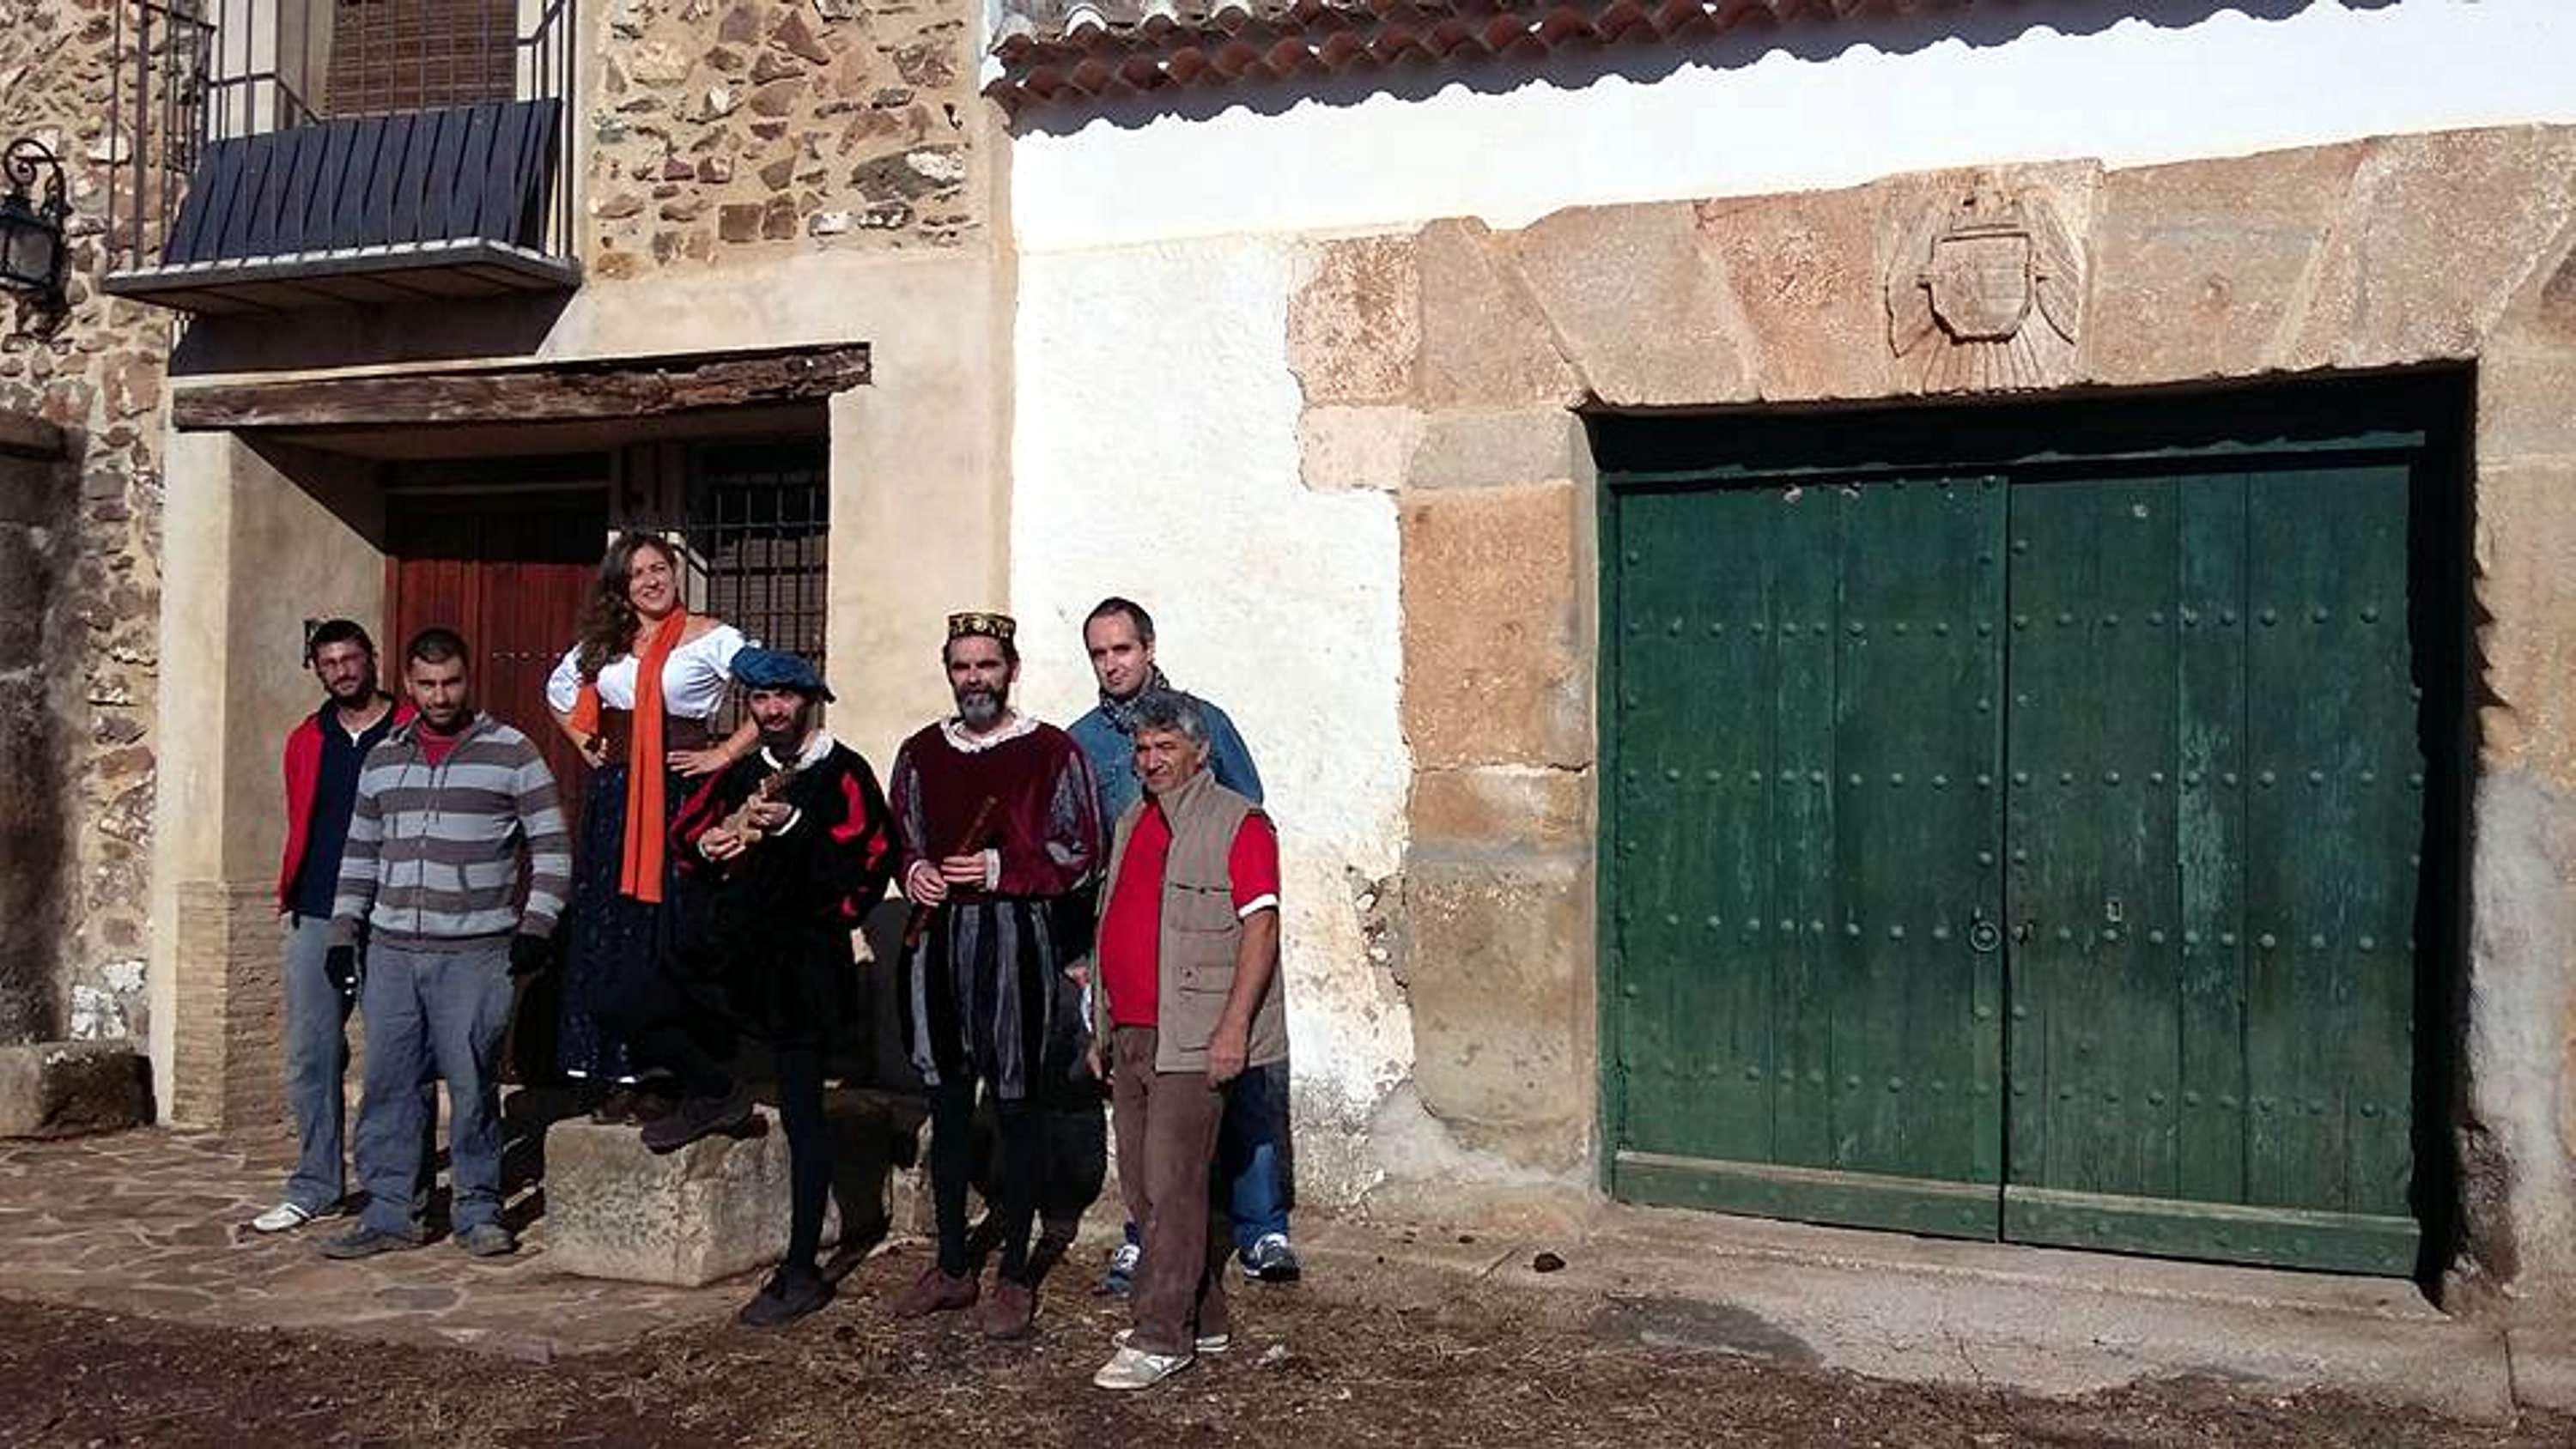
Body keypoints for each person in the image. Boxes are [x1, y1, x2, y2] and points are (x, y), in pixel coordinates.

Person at [636, 647, 896, 1328]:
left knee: (805, 1115)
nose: (773, 709)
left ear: (808, 701)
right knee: (634, 1001)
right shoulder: (744, 771)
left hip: (805, 963)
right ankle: (714, 1092)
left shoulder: (843, 772)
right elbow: (689, 835)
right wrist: (707, 847)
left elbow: (872, 860)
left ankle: (802, 1267)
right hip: (736, 951)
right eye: (760, 698)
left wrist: (799, 832)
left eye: (784, 696)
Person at [318, 628, 573, 1260]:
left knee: (472, 1083)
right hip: (392, 952)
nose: (439, 696)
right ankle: (391, 1212)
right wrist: (343, 932)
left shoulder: (512, 752)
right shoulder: (384, 758)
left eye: (451, 682)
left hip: (476, 953)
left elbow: (552, 848)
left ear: (467, 679)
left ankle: (478, 1209)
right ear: (408, 684)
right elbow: (360, 851)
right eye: (427, 684)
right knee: (389, 1085)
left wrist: (536, 926)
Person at [884, 610, 1103, 1340]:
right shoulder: (921, 753)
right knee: (948, 1102)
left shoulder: (1051, 752)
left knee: (1017, 1105)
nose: (974, 679)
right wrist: (916, 870)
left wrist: (1001, 867)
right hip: (939, 947)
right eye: (962, 666)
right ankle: (952, 1265)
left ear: (1012, 669)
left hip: (1016, 944)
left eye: (987, 665)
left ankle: (1013, 1274)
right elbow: (902, 835)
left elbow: (1082, 850)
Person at [1069, 597, 1299, 1289]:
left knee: (1241, 1081)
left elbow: (1246, 814)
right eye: (1100, 654)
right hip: (1137, 948)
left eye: (1123, 650)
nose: (1112, 665)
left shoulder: (1205, 721)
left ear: (1148, 648)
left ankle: (1261, 1228)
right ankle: (1146, 1235)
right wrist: (1086, 958)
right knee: (1142, 1106)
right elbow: (1082, 854)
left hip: (1207, 942)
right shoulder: (1084, 742)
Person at [1089, 690, 1287, 1392]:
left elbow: (1261, 927)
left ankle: (1160, 1335)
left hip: (1194, 1035)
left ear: (1200, 753)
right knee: (1144, 1187)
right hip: (1133, 1031)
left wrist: (1233, 1028)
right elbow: (1113, 921)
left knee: (1173, 1185)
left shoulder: (1239, 823)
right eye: (1143, 749)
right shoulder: (1132, 821)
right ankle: (1203, 1317)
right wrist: (1101, 1023)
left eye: (1166, 748)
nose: (1151, 761)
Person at [545, 532, 756, 1122]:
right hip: (619, 799)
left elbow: (779, 689)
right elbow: (558, 695)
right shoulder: (604, 645)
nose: (651, 581)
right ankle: (616, 1069)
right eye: (638, 573)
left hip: (680, 796)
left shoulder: (711, 638)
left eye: (659, 568)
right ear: (622, 585)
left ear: (675, 572)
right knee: (614, 925)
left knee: (669, 926)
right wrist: (590, 746)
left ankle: (672, 1070)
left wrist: (725, 753)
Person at [251, 621, 430, 1234]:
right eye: (329, 663)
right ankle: (316, 1184)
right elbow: (301, 816)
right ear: (317, 670)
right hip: (318, 911)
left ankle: (402, 1189)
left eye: (351, 659)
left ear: (371, 659)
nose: (342, 672)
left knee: (400, 1056)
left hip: (393, 915)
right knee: (312, 1054)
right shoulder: (308, 738)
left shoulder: (412, 729)